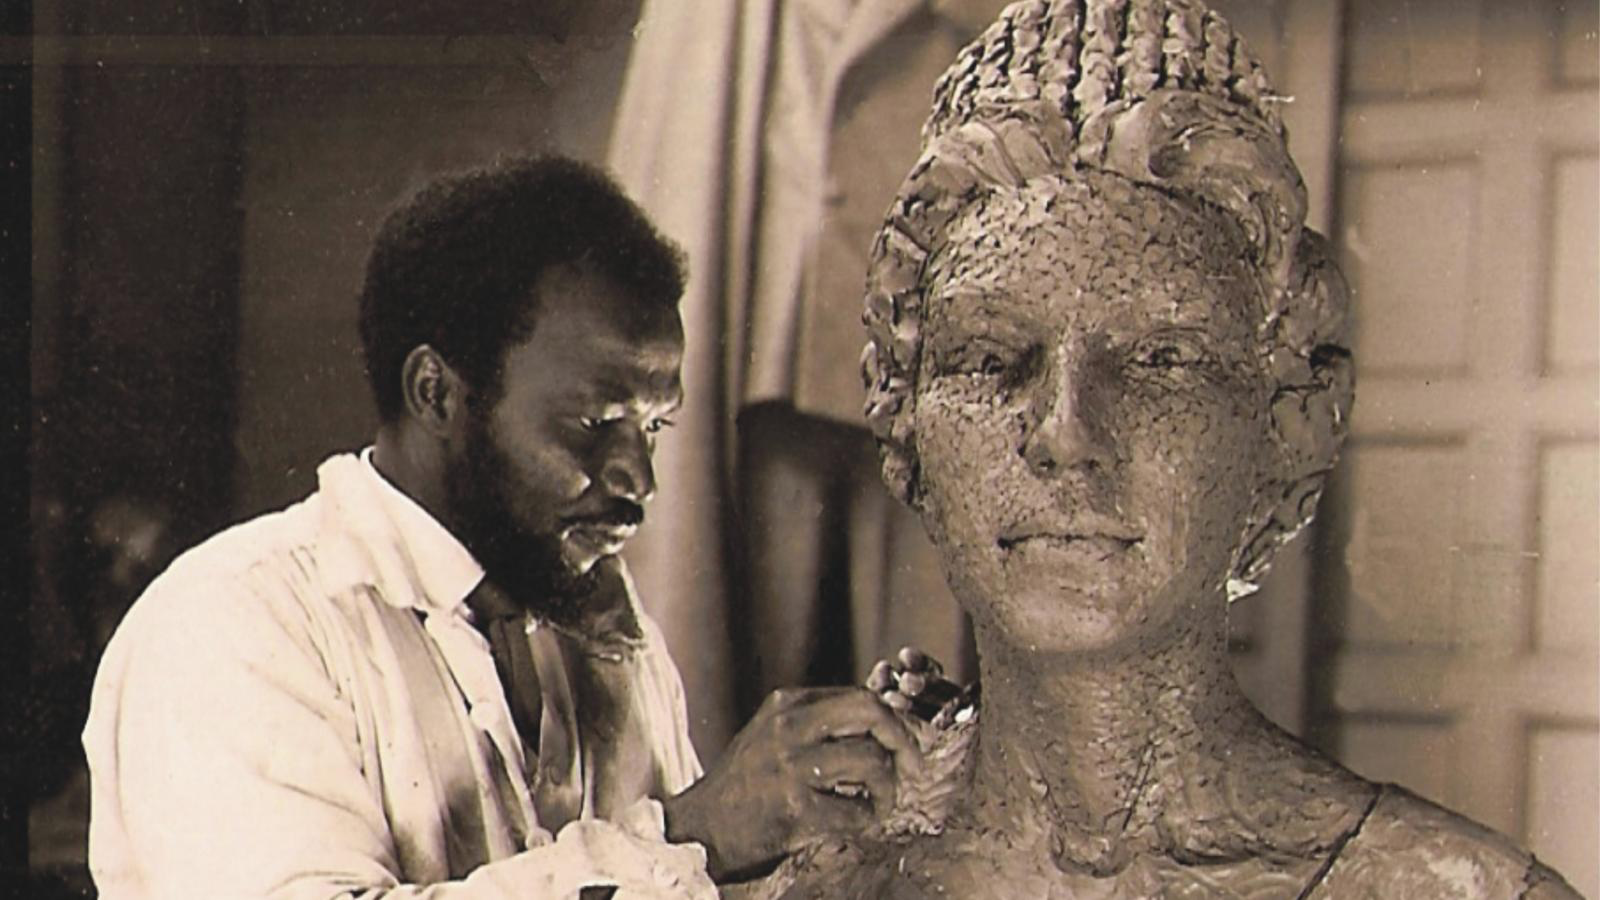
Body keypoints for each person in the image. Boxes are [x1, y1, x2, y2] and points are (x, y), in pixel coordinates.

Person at [740, 0, 1586, 897]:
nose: (1065, 433)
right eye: (989, 358)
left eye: (1160, 360)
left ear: (1288, 421)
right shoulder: (789, 880)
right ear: (903, 418)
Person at [82, 156, 923, 898]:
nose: (640, 480)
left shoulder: (596, 629)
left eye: (653, 428)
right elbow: (678, 856)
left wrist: (859, 805)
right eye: (596, 424)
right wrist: (694, 834)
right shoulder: (233, 622)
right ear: (437, 394)